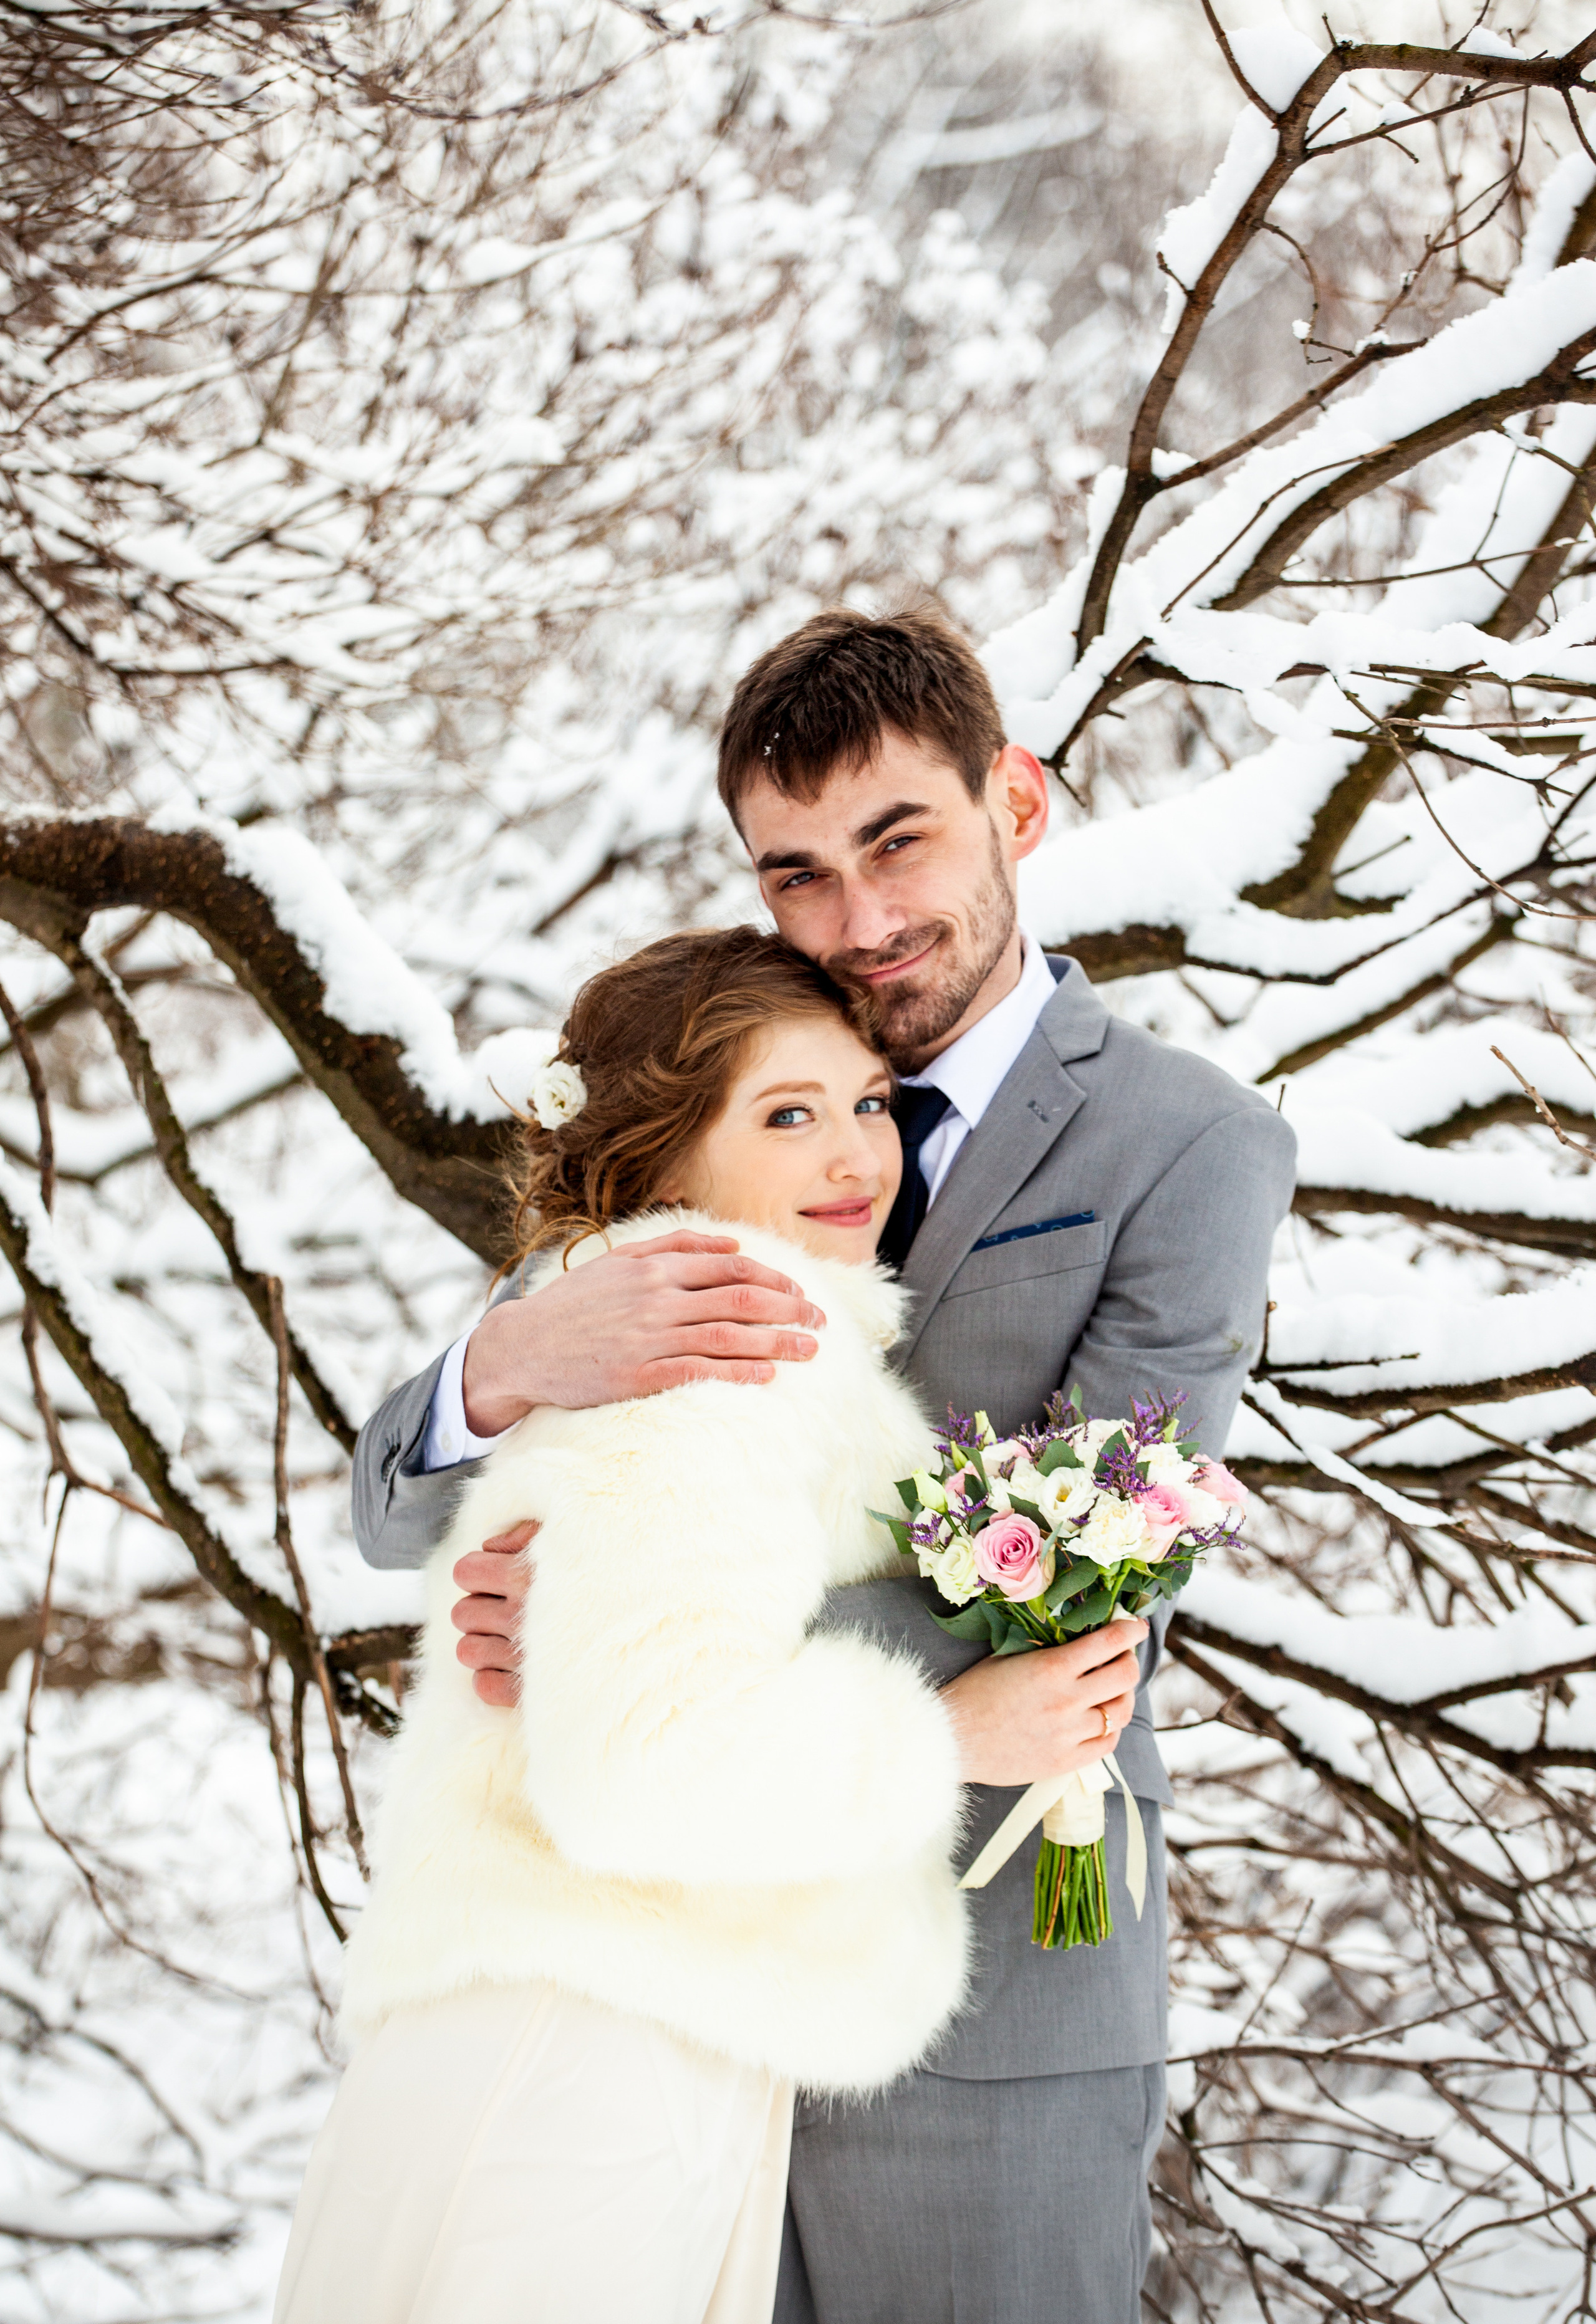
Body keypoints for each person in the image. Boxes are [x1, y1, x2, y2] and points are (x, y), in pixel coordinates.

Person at [352, 607, 1298, 2324]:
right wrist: (500, 1376)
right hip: (654, 1980)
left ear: (1015, 800)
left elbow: (1099, 1586)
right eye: (796, 874)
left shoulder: (1188, 1148)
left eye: (897, 841)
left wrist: (621, 1650)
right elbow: (390, 1514)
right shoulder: (727, 1064)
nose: (858, 924)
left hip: (987, 1961)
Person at [282, 928, 1143, 2323]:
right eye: (787, 1115)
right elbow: (641, 1771)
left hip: (619, 2015)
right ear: (667, 1154)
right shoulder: (724, 1354)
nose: (858, 1157)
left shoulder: (718, 1332)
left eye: (870, 1102)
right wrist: (947, 1729)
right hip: (588, 2047)